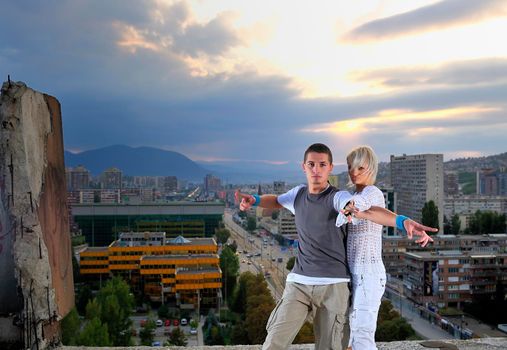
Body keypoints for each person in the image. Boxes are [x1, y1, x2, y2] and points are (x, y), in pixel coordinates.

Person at [236, 143, 436, 350]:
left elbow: (367, 210)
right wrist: (255, 200)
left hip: (335, 286)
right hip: (299, 283)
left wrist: (402, 222)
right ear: (303, 166)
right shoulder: (297, 195)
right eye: (311, 164)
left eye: (322, 164)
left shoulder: (339, 197)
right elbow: (277, 201)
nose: (316, 170)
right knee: (273, 342)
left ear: (330, 168)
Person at [341, 145, 433, 350]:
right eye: (350, 167)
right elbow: (368, 208)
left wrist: (353, 206)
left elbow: (365, 204)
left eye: (360, 168)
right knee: (348, 335)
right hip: (353, 273)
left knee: (362, 334)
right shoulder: (351, 195)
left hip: (369, 273)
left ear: (371, 168)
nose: (354, 172)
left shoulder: (372, 193)